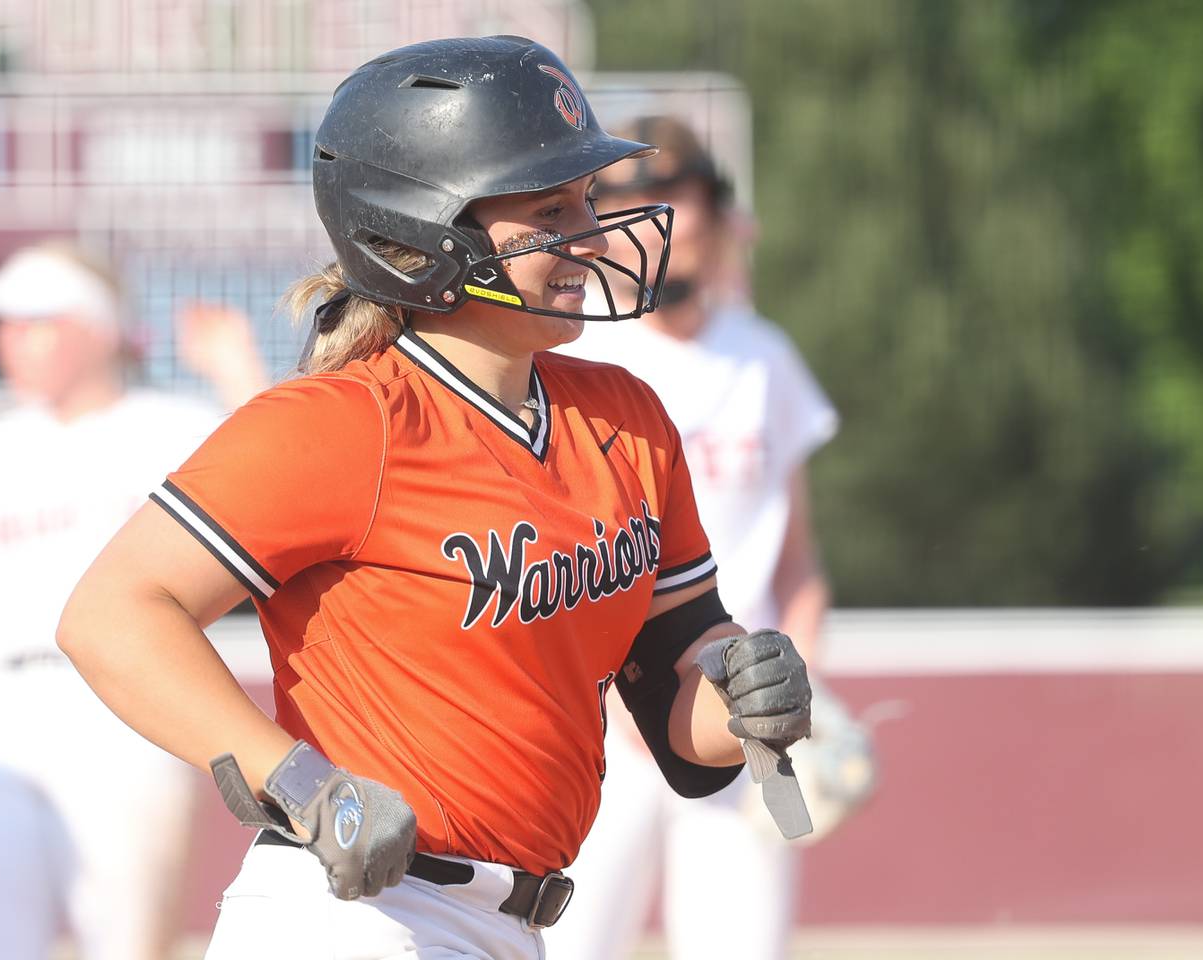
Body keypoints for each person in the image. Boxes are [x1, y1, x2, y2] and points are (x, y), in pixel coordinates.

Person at [55, 36, 813, 960]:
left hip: (509, 926)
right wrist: (299, 782)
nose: (595, 235)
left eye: (586, 202)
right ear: (424, 232)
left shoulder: (628, 417)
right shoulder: (346, 422)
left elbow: (677, 707)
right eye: (550, 208)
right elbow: (111, 614)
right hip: (359, 919)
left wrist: (745, 694)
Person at [0, 240, 269, 960]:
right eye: (4, 325)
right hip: (4, 722)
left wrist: (236, 371)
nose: (11, 341)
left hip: (129, 715)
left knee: (125, 945)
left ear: (98, 329)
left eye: (35, 322)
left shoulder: (172, 427)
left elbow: (284, 489)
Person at [544, 116, 841, 959]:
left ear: (713, 210)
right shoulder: (576, 352)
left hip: (735, 715)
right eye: (629, 198)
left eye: (677, 193)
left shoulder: (764, 357)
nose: (658, 218)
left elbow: (799, 566)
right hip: (602, 727)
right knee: (562, 947)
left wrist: (802, 698)